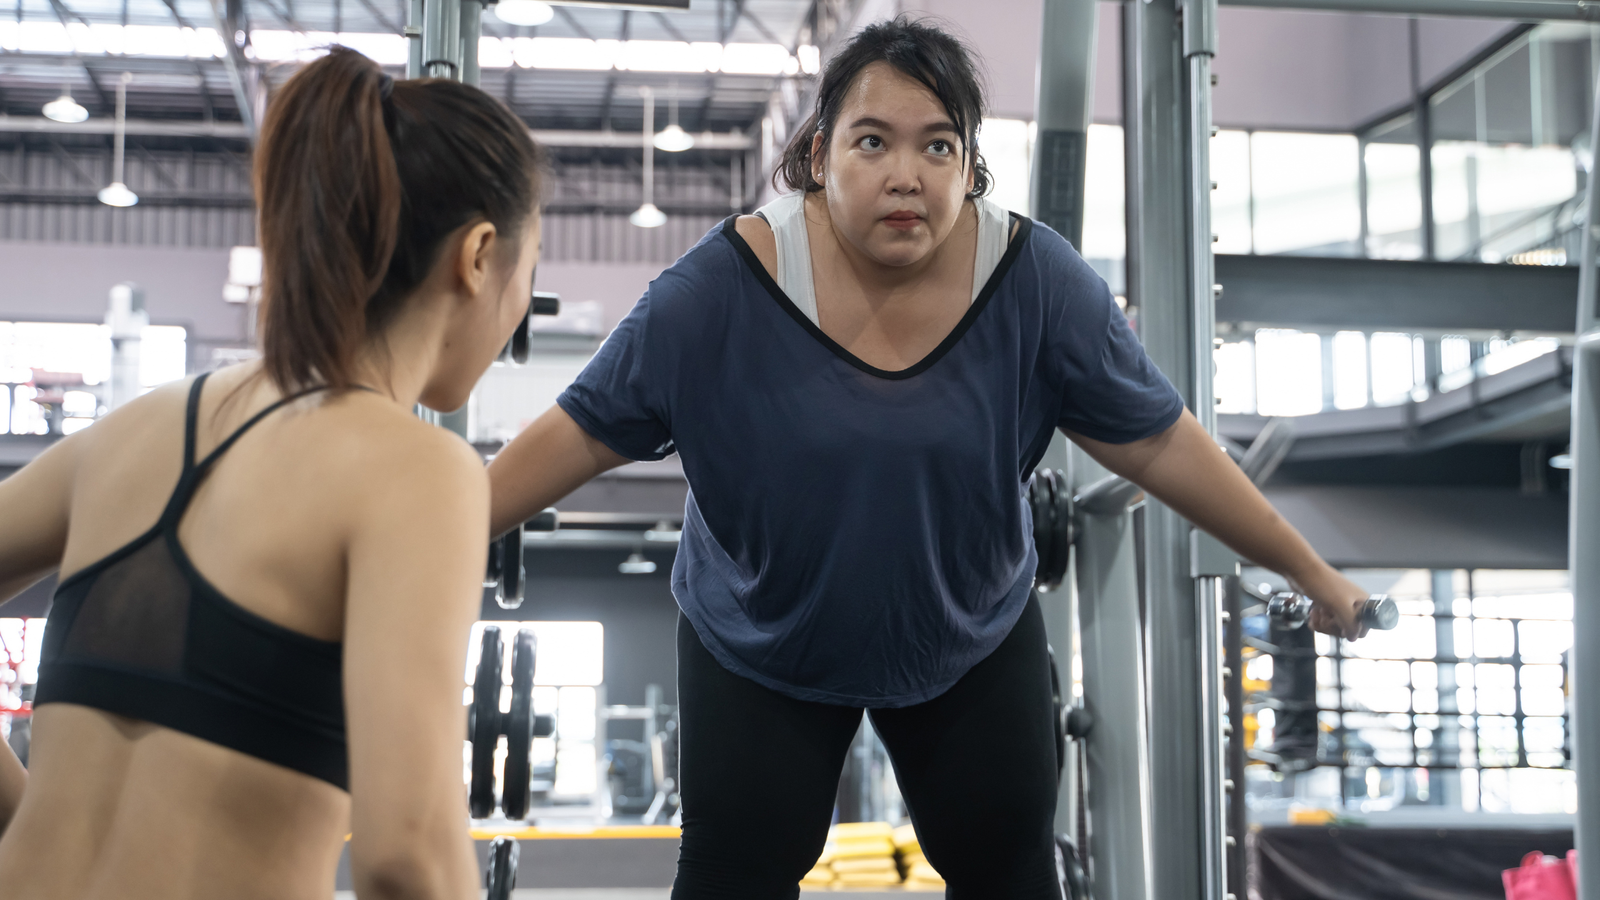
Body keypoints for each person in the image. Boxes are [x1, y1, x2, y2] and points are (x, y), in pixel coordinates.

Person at [487, 17, 1370, 899]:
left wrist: (1313, 572)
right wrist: (412, 547)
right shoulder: (720, 288)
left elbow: (1160, 439)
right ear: (819, 153)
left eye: (937, 146)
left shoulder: (1036, 281)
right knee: (734, 874)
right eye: (873, 142)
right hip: (762, 637)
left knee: (1010, 871)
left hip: (965, 634)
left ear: (969, 163)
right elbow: (585, 429)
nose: (906, 175)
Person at [0, 47, 543, 900]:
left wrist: (29, 823)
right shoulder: (420, 470)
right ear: (478, 257)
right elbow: (409, 858)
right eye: (528, 276)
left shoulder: (135, 431)